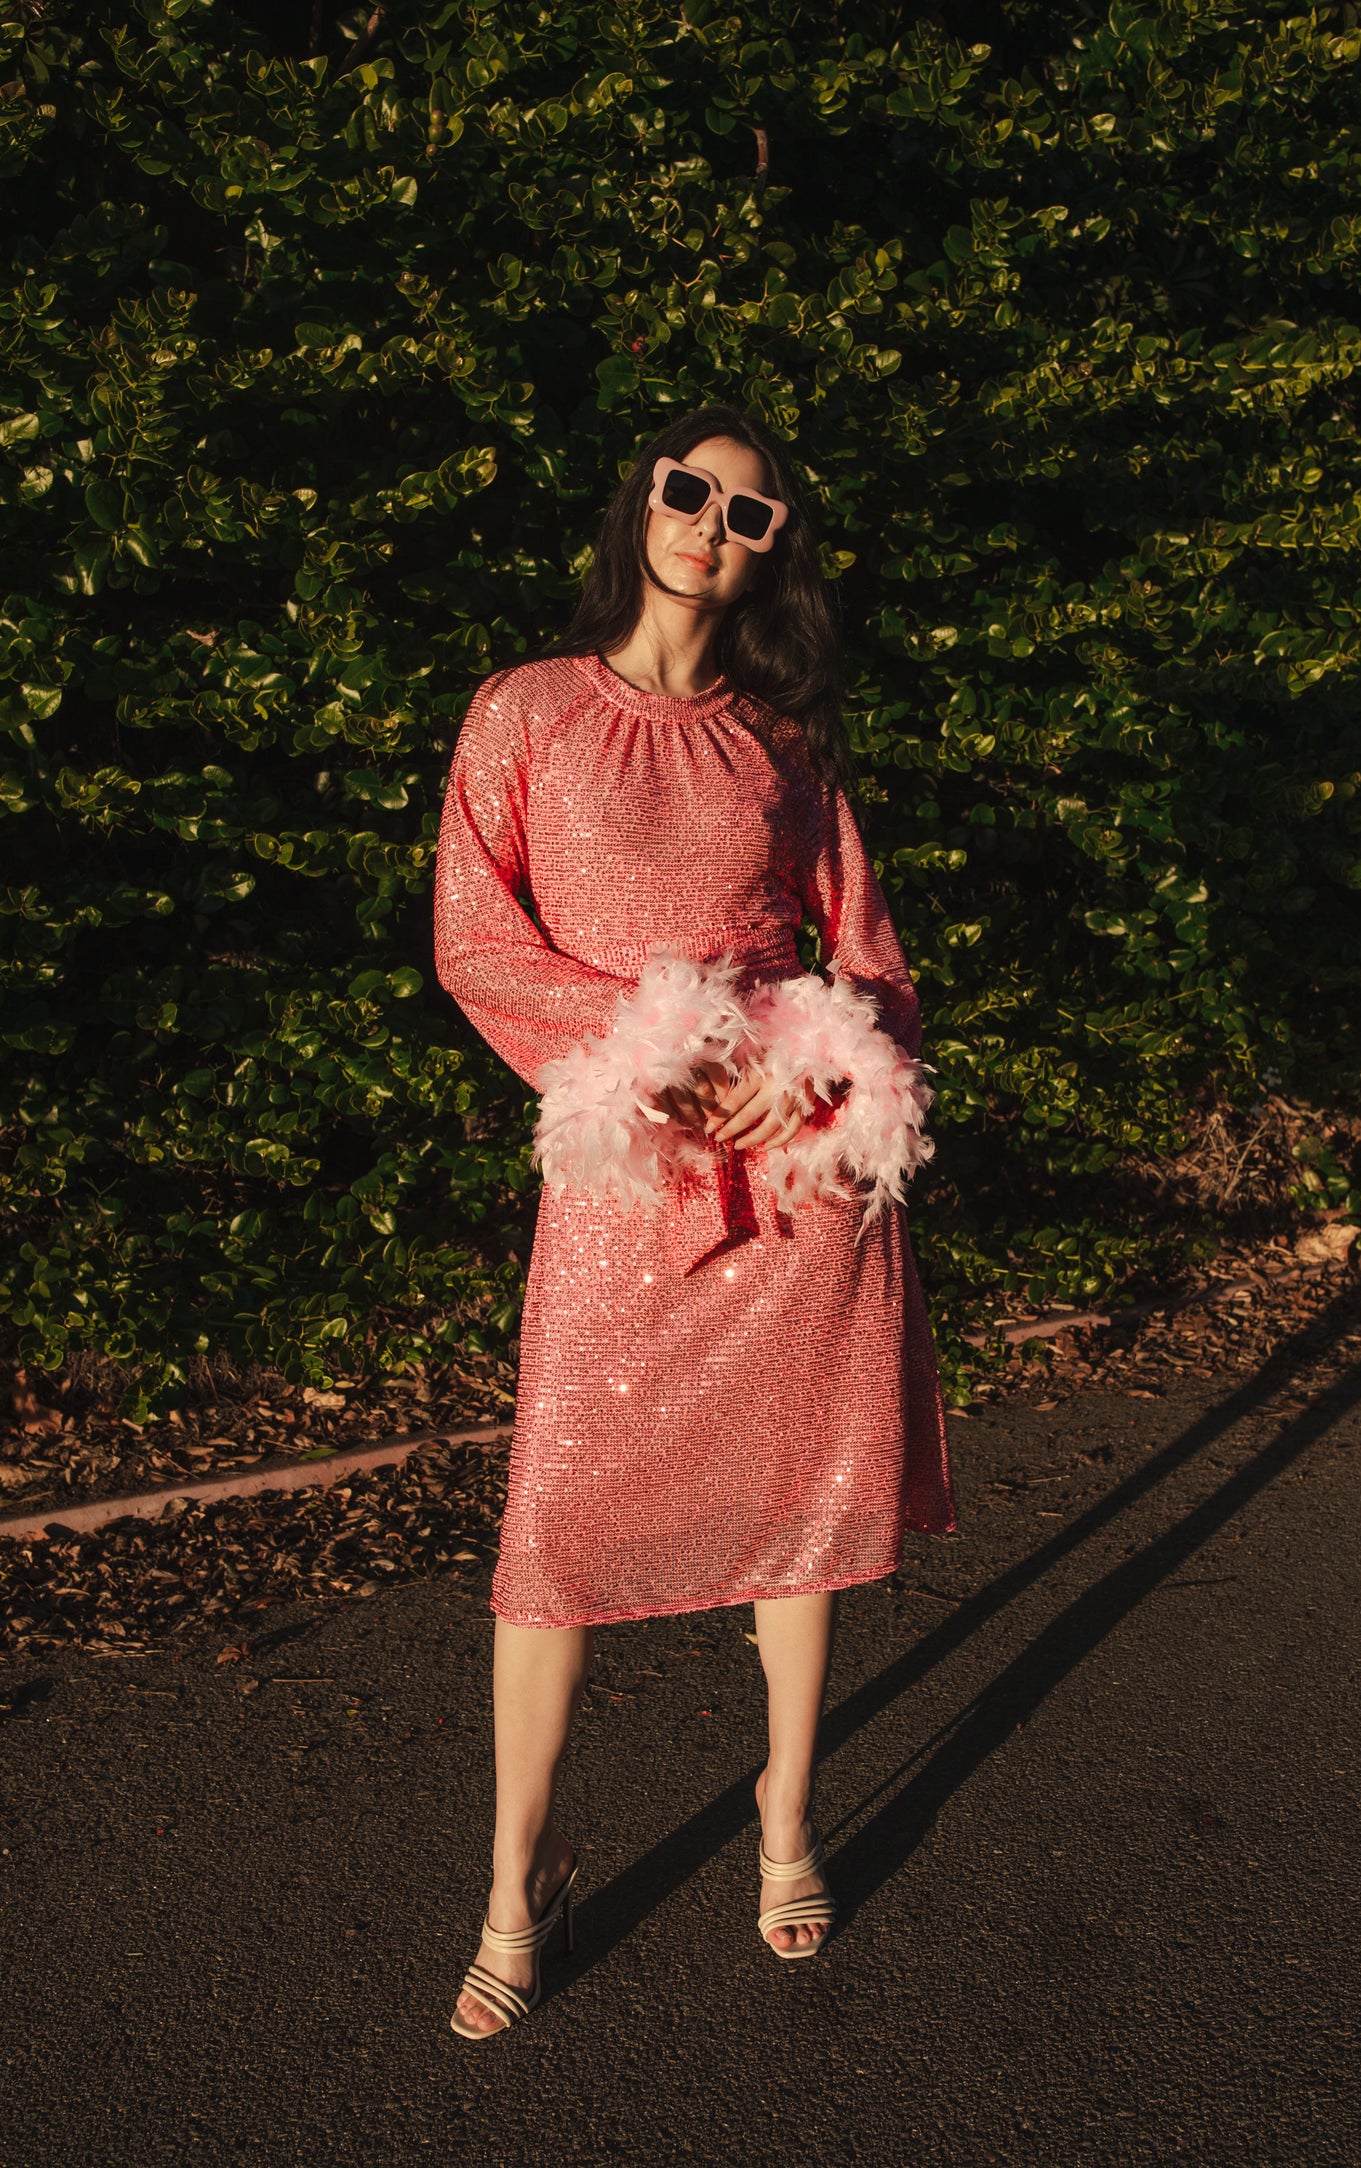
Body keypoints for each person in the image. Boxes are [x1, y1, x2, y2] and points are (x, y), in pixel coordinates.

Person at [433, 404, 955, 2037]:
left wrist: (806, 1075)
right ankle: (519, 1882)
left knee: (796, 1514)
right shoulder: (523, 710)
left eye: (748, 512)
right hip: (620, 1184)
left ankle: (784, 1822)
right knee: (555, 1538)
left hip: (789, 1192)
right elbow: (472, 934)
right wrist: (634, 1053)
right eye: (687, 491)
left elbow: (865, 958)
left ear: (773, 549)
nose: (708, 525)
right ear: (639, 501)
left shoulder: (787, 744)